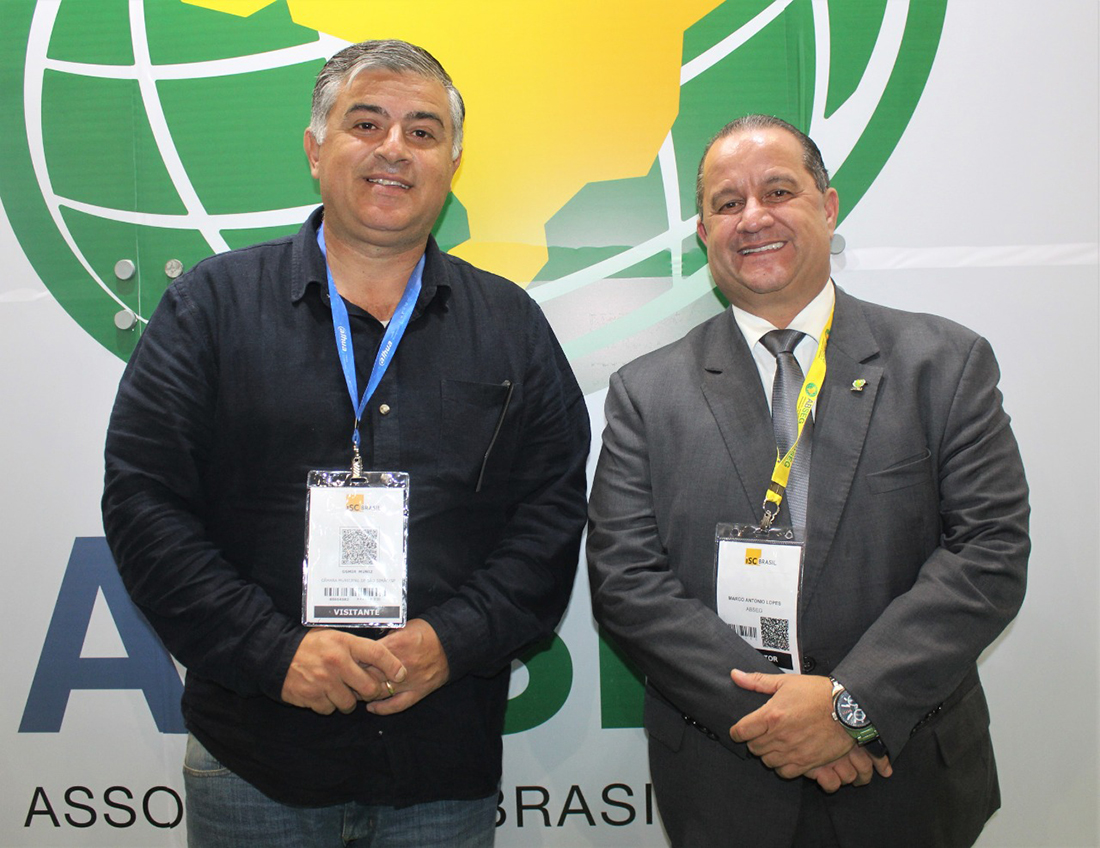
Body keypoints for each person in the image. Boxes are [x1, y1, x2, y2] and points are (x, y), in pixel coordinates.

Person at [102, 40, 589, 847]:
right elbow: (144, 503)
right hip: (255, 760)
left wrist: (451, 641)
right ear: (315, 148)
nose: (395, 148)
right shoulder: (209, 309)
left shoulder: (511, 326)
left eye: (423, 132)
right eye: (367, 123)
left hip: (441, 764)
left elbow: (551, 516)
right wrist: (274, 653)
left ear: (452, 163)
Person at [586, 114, 1028, 847]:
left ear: (827, 206)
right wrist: (780, 724)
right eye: (728, 203)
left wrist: (852, 709)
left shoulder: (944, 363)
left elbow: (989, 553)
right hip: (728, 784)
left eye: (778, 191)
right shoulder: (646, 392)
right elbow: (627, 582)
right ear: (703, 232)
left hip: (907, 776)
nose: (753, 217)